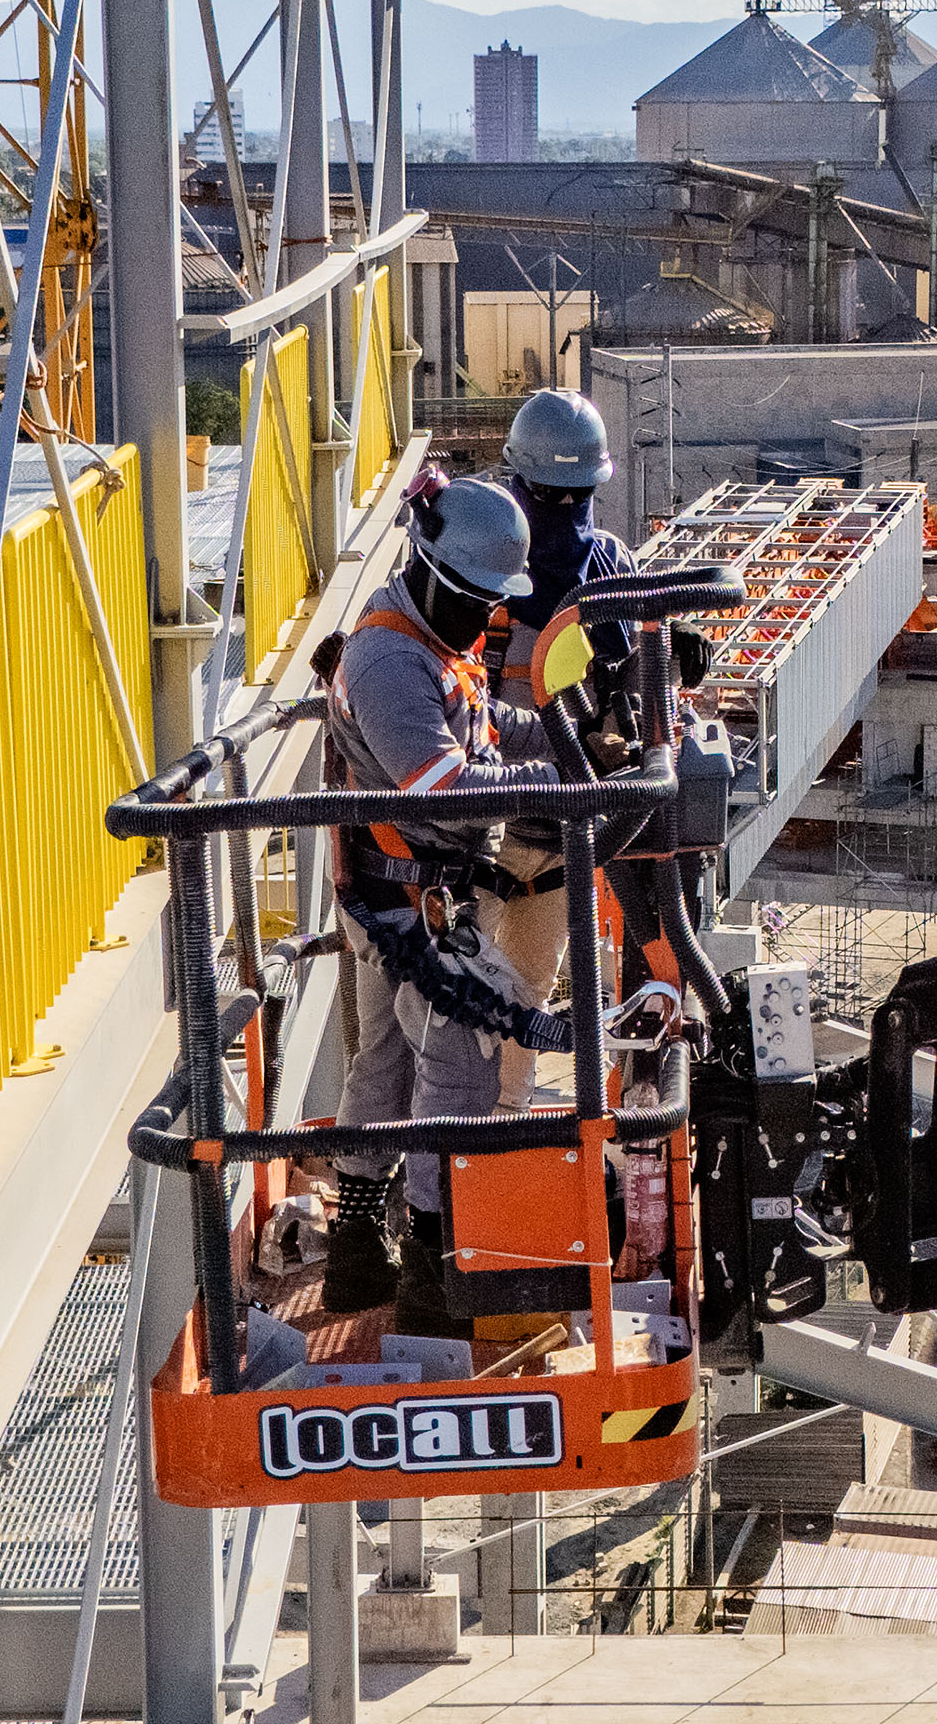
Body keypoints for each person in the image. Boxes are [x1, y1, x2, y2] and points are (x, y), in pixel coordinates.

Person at [318, 475, 561, 1330]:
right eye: (477, 600)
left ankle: (356, 1252)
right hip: (407, 906)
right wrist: (557, 780)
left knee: (385, 1058)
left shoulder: (428, 642)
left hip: (400, 895)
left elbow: (482, 722)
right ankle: (433, 1265)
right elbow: (446, 782)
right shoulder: (389, 658)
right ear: (429, 572)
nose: (488, 618)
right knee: (454, 1072)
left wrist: (566, 731)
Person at [476, 390, 637, 1120]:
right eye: (553, 497)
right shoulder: (478, 572)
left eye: (578, 498)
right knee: (452, 1000)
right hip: (475, 834)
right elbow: (454, 708)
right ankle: (444, 1160)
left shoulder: (607, 569)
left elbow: (634, 696)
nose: (567, 512)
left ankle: (500, 1137)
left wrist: (666, 660)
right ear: (520, 486)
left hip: (561, 840)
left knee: (527, 998)